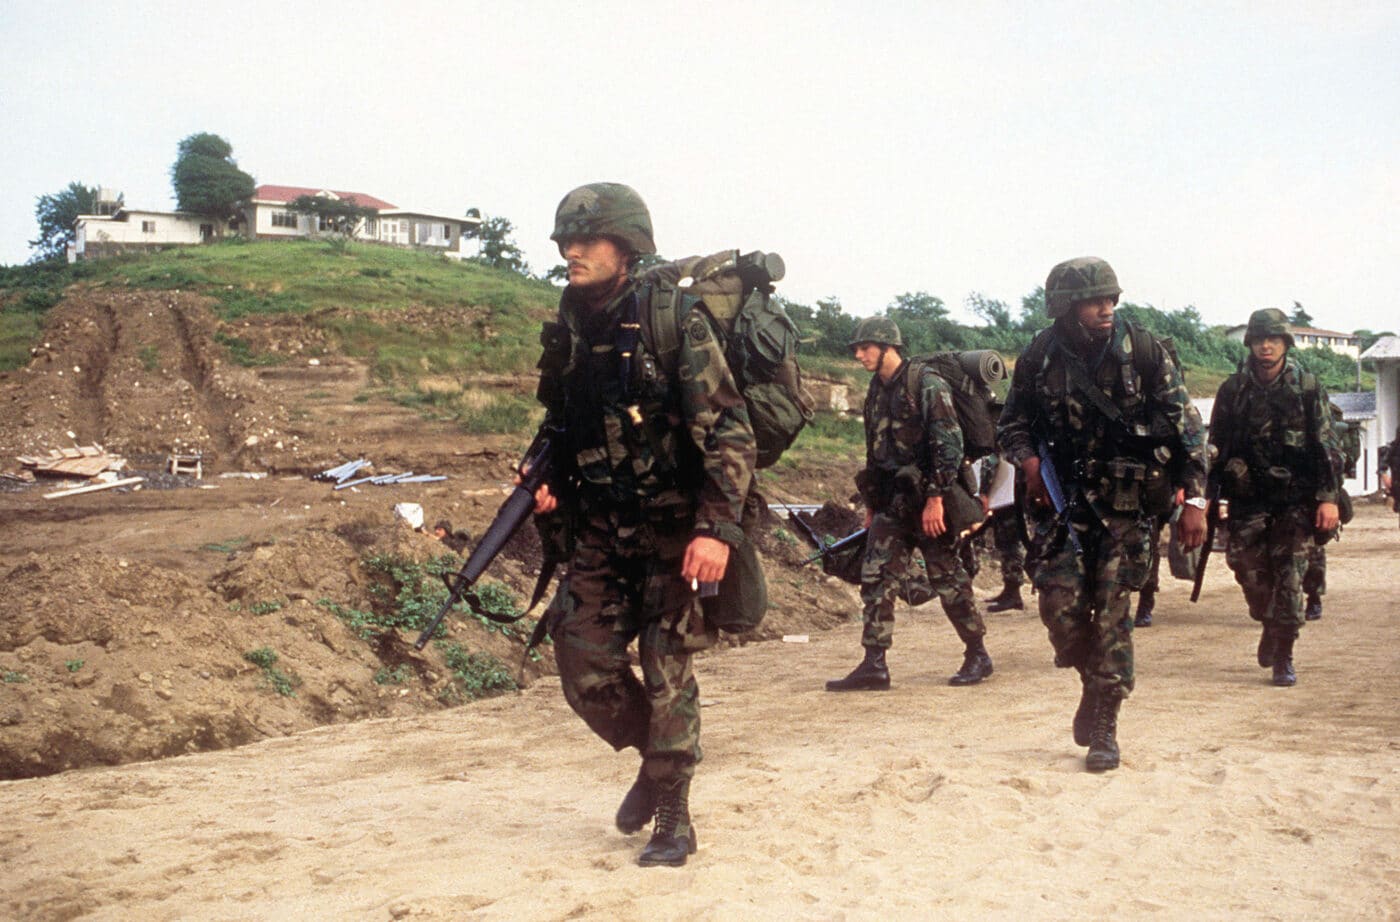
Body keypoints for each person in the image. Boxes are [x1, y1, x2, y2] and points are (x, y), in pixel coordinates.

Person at [526, 183, 758, 867]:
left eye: (587, 239)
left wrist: (716, 528)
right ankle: (655, 756)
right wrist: (545, 484)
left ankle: (673, 815)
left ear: (626, 248)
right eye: (566, 240)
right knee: (581, 664)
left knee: (666, 671)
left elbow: (731, 432)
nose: (571, 251)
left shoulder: (672, 320)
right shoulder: (570, 324)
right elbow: (565, 426)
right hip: (601, 529)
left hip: (675, 530)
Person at [997, 257, 1207, 772]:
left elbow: (1189, 428)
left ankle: (1106, 725)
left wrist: (1195, 500)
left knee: (1115, 613)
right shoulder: (1041, 354)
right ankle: (1092, 685)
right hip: (1064, 503)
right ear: (1066, 307)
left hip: (1128, 506)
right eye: (1095, 301)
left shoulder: (1144, 351)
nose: (1106, 308)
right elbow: (1011, 423)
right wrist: (1026, 461)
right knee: (1059, 611)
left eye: (1111, 299)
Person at [826, 317, 993, 692]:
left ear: (889, 347)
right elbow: (875, 451)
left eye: (865, 346)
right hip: (891, 503)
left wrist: (936, 498)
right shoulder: (876, 390)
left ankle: (977, 652)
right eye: (857, 347)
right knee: (877, 578)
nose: (858, 353)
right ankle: (874, 663)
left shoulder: (926, 384)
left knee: (947, 578)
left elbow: (949, 445)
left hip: (928, 500)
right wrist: (871, 503)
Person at [1208, 308, 1341, 687]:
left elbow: (1327, 446)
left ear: (1285, 343)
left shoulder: (1308, 386)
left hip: (1296, 501)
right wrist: (1209, 498)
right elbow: (1215, 447)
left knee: (1290, 577)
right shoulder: (1233, 390)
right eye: (1259, 339)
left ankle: (1284, 653)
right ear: (1250, 343)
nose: (1266, 346)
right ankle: (1269, 621)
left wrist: (1328, 497)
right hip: (1248, 499)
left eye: (1274, 339)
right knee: (1247, 571)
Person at [979, 452, 1028, 612]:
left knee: (1010, 544)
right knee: (1004, 542)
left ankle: (1014, 594)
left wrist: (984, 491)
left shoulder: (1003, 442)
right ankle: (1010, 590)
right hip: (1007, 494)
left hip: (1011, 496)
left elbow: (995, 463)